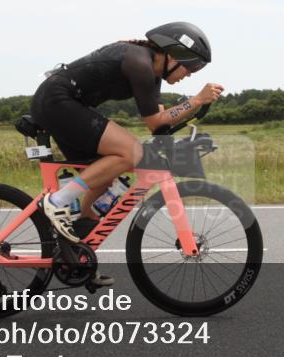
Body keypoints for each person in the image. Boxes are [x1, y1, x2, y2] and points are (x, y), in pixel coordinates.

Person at [29, 22, 224, 284]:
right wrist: (197, 100)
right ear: (171, 54)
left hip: (65, 103)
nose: (190, 73)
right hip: (58, 100)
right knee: (129, 153)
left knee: (105, 177)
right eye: (190, 65)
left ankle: (78, 254)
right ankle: (57, 202)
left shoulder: (152, 73)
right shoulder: (139, 63)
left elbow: (162, 122)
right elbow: (155, 122)